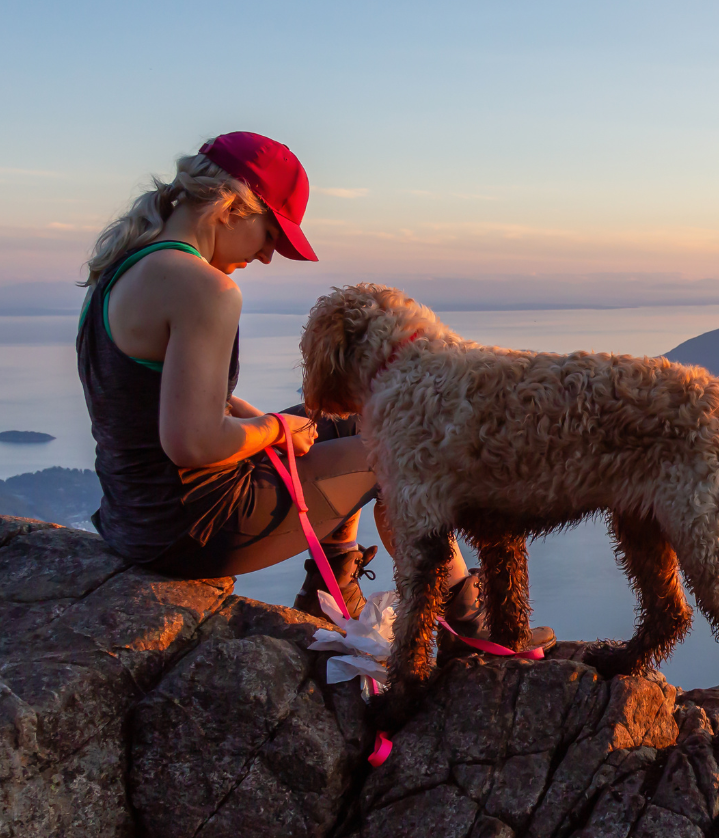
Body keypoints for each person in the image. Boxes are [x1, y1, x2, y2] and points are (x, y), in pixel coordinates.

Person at [76, 131, 521, 641]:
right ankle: (472, 624)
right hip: (195, 529)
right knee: (409, 450)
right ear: (230, 207)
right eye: (270, 236)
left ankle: (330, 592)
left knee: (350, 419)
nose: (268, 257)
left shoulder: (123, 267)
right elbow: (191, 442)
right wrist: (273, 427)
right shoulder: (205, 288)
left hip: (134, 519)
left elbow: (164, 403)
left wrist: (278, 427)